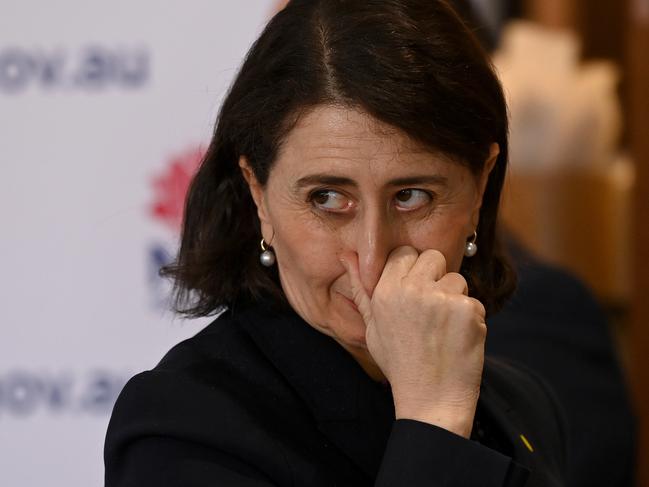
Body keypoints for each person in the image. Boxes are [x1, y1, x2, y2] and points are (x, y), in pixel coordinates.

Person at [104, 1, 567, 485]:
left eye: (412, 196)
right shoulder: (182, 427)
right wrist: (433, 424)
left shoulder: (525, 405)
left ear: (479, 190)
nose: (371, 258)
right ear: (258, 195)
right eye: (327, 198)